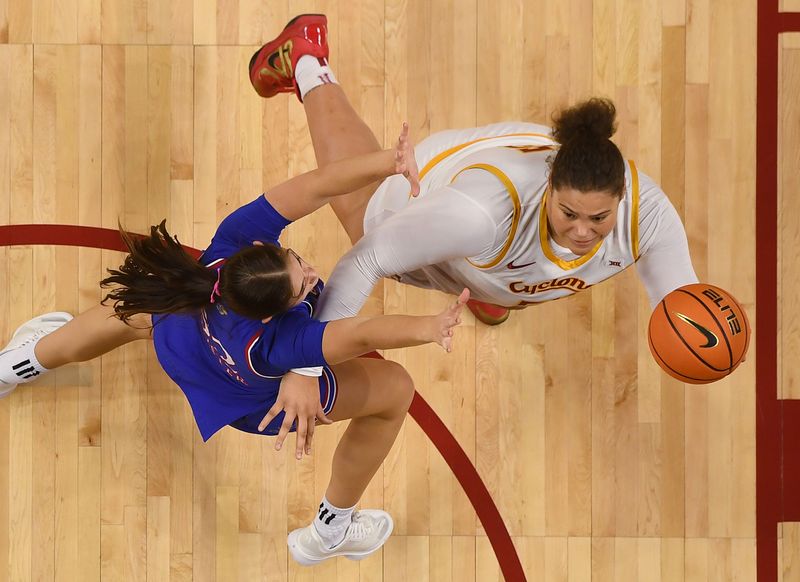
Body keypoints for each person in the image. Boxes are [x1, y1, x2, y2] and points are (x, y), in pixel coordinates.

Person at [0, 119, 471, 565]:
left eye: (297, 261)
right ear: (273, 313)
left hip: (181, 343)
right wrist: (428, 327)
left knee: (145, 302)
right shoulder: (282, 342)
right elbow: (363, 332)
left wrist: (389, 161)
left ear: (259, 250)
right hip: (253, 401)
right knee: (395, 390)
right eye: (304, 285)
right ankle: (332, 530)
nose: (311, 274)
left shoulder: (230, 248)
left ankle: (15, 365)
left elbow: (317, 185)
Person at [249, 14, 699, 329]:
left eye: (598, 219)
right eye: (569, 214)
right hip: (443, 183)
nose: (582, 231)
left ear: (622, 201)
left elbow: (684, 312)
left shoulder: (650, 214)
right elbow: (364, 260)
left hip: (493, 235)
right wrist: (306, 367)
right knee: (360, 209)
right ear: (548, 191)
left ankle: (487, 283)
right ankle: (307, 57)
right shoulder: (478, 213)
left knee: (496, 266)